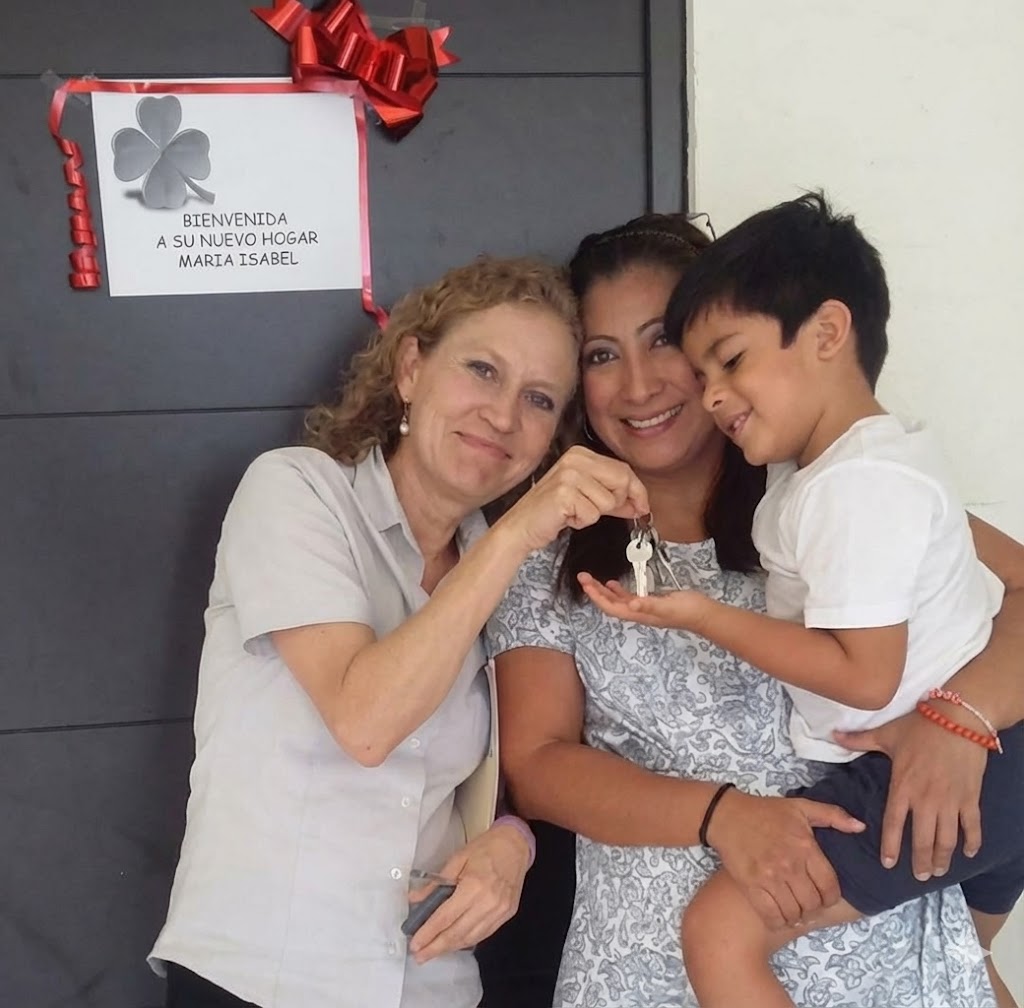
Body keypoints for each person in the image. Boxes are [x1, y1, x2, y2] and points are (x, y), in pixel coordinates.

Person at [488, 213, 1024, 1008]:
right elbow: (537, 765)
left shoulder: (835, 495)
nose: (639, 385)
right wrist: (720, 816)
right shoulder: (550, 549)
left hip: (886, 958)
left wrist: (960, 717)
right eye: (603, 355)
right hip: (651, 967)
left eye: (665, 340)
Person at [147, 255, 653, 1008]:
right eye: (482, 370)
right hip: (261, 977)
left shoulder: (503, 560)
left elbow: (500, 769)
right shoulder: (294, 492)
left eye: (540, 399)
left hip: (426, 982)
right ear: (411, 368)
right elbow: (367, 720)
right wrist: (520, 532)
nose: (505, 415)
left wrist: (511, 842)